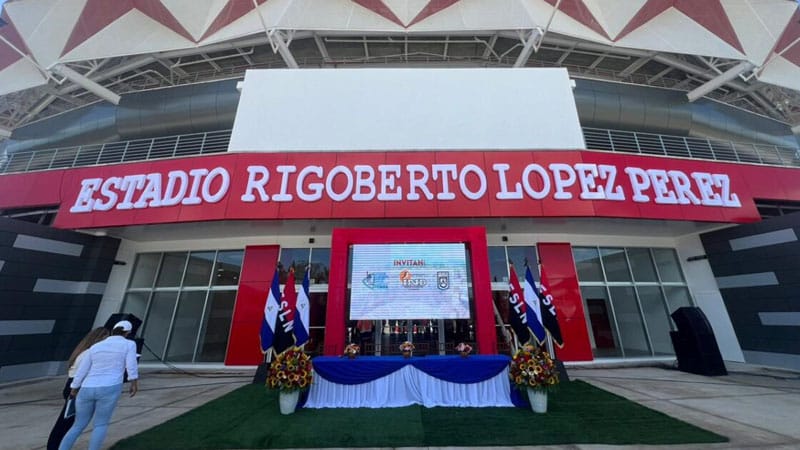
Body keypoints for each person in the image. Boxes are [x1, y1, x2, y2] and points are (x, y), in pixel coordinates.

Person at [58, 320, 139, 450]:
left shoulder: (96, 347)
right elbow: (131, 364)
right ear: (128, 332)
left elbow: (83, 370)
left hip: (87, 387)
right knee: (101, 424)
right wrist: (133, 382)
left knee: (78, 425)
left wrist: (74, 387)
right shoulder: (129, 344)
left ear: (113, 330)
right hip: (110, 386)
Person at [47, 327, 110, 450]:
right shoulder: (89, 353)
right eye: (106, 338)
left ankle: (56, 446)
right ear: (100, 338)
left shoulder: (83, 351)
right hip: (77, 387)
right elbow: (83, 373)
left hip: (73, 385)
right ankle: (55, 447)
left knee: (67, 422)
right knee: (66, 423)